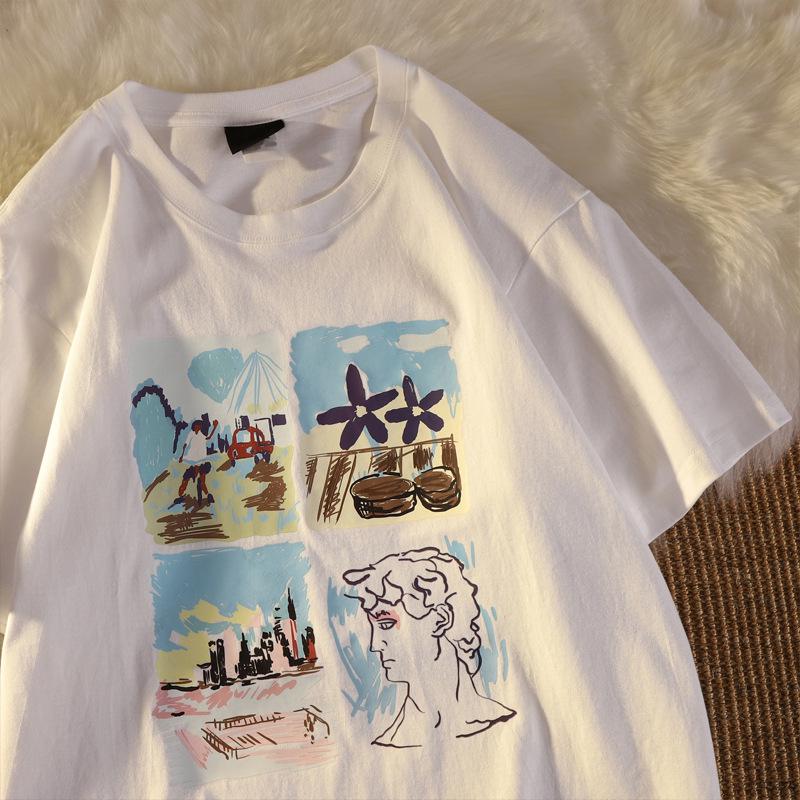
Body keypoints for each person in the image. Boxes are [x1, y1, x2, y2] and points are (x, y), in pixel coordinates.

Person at [342, 546, 516, 748]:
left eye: (387, 624)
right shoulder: (390, 742)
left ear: (441, 619)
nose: (375, 645)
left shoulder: (504, 725)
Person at [174, 418, 218, 506]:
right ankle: (180, 496)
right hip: (192, 461)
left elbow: (209, 437)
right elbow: (185, 444)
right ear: (194, 426)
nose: (199, 427)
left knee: (202, 481)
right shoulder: (191, 434)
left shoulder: (202, 435)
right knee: (185, 480)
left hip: (201, 461)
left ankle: (208, 495)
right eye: (197, 425)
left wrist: (214, 427)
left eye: (200, 426)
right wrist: (182, 455)